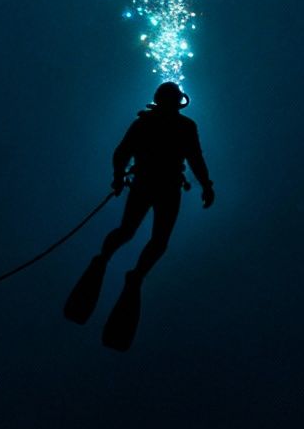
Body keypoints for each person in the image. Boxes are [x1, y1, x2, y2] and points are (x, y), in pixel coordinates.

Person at [64, 82, 215, 348]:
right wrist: (206, 186)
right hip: (167, 188)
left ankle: (105, 260)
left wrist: (118, 177)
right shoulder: (184, 126)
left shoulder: (146, 123)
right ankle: (133, 275)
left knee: (129, 231)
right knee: (157, 240)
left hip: (146, 184)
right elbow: (195, 158)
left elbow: (122, 153)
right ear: (178, 101)